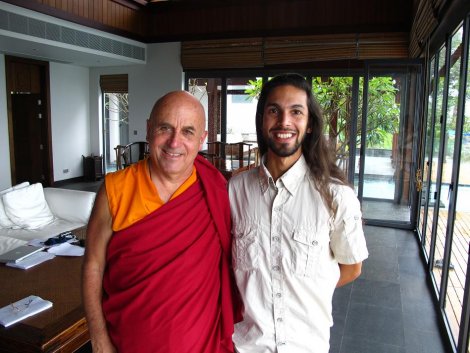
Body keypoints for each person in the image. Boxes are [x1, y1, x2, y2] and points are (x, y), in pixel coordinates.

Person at [82, 91, 238, 353]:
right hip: (129, 342)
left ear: (202, 140)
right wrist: (98, 339)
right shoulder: (114, 189)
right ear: (148, 129)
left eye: (188, 132)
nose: (174, 142)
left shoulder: (216, 189)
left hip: (201, 344)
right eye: (165, 128)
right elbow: (93, 266)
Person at [228, 73, 369, 353]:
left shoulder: (336, 196)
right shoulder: (236, 190)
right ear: (262, 120)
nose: (284, 122)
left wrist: (310, 286)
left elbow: (351, 267)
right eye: (273, 111)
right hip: (247, 347)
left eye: (296, 112)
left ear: (309, 125)